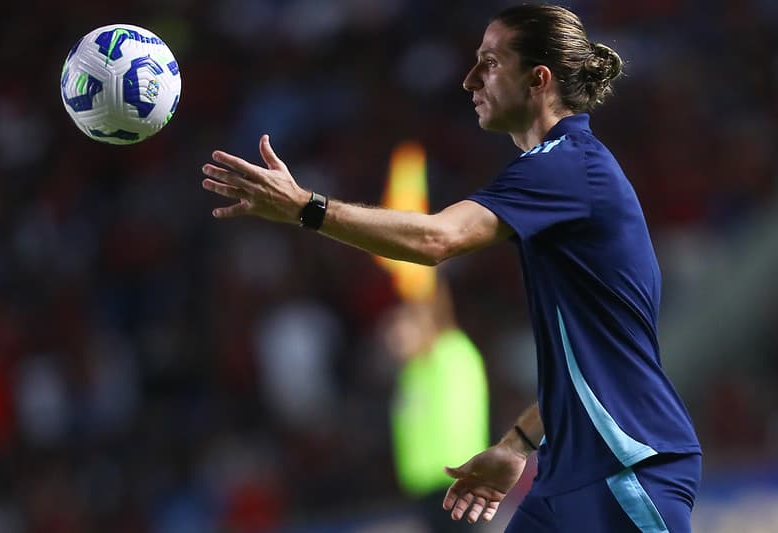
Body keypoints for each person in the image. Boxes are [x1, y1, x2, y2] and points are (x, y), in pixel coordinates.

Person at [201, 4, 702, 531]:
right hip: (565, 475)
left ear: (539, 79)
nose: (469, 80)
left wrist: (307, 207)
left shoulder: (570, 164)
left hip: (628, 465)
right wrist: (517, 445)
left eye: (488, 62)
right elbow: (588, 366)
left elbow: (437, 238)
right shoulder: (557, 170)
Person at [380, 278, 489, 532]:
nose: (393, 336)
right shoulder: (412, 371)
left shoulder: (451, 352)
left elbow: (432, 304)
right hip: (425, 485)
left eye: (401, 326)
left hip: (458, 481)